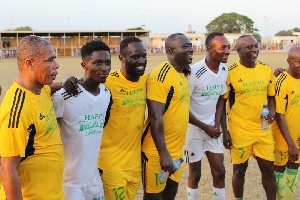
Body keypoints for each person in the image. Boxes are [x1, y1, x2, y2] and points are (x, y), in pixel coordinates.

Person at [0, 36, 64, 199]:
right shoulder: (17, 109)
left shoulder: (41, 89)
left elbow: (51, 89)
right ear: (29, 64)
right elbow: (7, 168)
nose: (56, 66)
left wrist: (67, 83)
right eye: (49, 60)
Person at [52, 40, 112, 200]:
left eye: (107, 63)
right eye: (98, 63)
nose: (104, 68)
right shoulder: (65, 95)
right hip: (70, 183)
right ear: (84, 65)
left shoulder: (106, 94)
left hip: (94, 181)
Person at [222, 35, 276, 200]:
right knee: (239, 170)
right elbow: (221, 103)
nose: (254, 50)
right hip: (240, 130)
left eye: (256, 46)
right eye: (249, 47)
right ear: (238, 51)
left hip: (263, 130)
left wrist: (271, 112)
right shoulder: (229, 73)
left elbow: (271, 97)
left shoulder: (266, 69)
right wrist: (225, 131)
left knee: (268, 170)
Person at [141, 33, 193, 200]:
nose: (191, 49)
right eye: (185, 46)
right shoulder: (160, 76)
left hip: (177, 152)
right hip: (157, 152)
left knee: (170, 194)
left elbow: (180, 109)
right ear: (171, 50)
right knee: (154, 198)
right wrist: (163, 154)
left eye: (190, 45)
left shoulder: (182, 73)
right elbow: (155, 117)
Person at [97, 37, 147, 200]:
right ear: (121, 58)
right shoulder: (106, 83)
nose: (141, 61)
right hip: (112, 166)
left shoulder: (146, 82)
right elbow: (81, 85)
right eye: (135, 57)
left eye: (144, 56)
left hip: (135, 166)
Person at [184, 32, 230, 200]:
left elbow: (220, 99)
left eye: (228, 47)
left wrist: (216, 126)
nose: (227, 51)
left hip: (212, 130)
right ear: (209, 49)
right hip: (193, 130)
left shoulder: (224, 69)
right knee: (195, 174)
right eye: (222, 47)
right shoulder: (194, 72)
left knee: (220, 172)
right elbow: (183, 107)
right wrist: (206, 127)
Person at [271, 46, 300, 200]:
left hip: (298, 138)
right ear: (288, 61)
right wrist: (290, 144)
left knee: (294, 170)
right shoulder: (282, 81)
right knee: (279, 172)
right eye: (298, 62)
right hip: (283, 139)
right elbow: (279, 115)